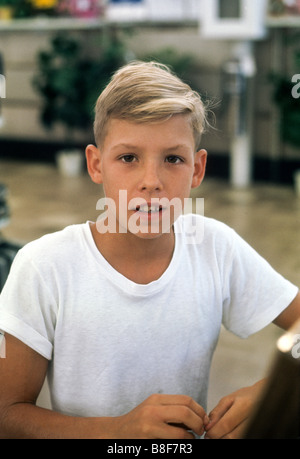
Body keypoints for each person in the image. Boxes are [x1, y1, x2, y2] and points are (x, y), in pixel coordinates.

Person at [0, 61, 299, 439]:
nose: (151, 182)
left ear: (197, 169)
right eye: (128, 158)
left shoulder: (214, 248)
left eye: (173, 159)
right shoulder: (45, 267)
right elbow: (7, 415)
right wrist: (118, 431)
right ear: (96, 164)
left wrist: (268, 393)